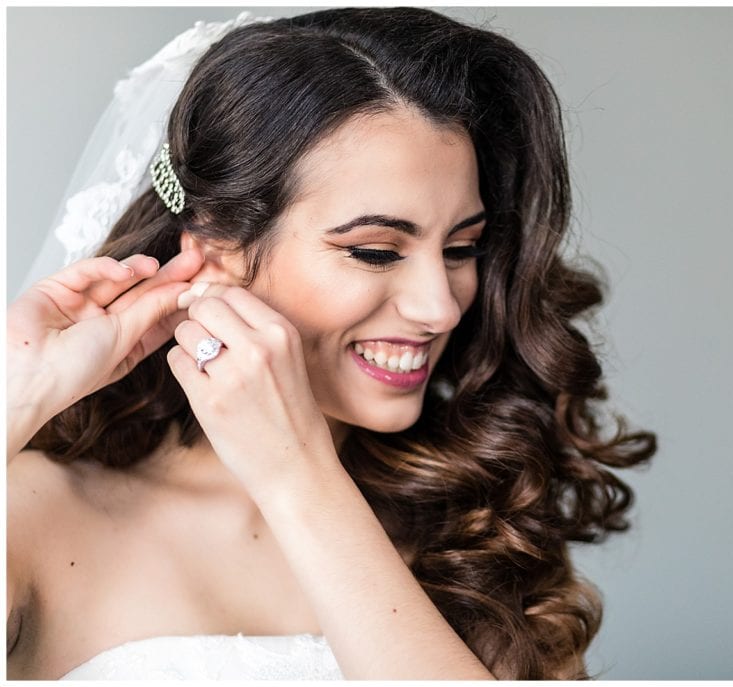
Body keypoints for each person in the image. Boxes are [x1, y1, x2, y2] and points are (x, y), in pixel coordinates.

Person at [7, 7, 656, 680]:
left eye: (462, 247)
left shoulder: (477, 535)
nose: (439, 306)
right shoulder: (31, 517)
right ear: (215, 250)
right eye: (376, 251)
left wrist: (300, 480)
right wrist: (15, 396)